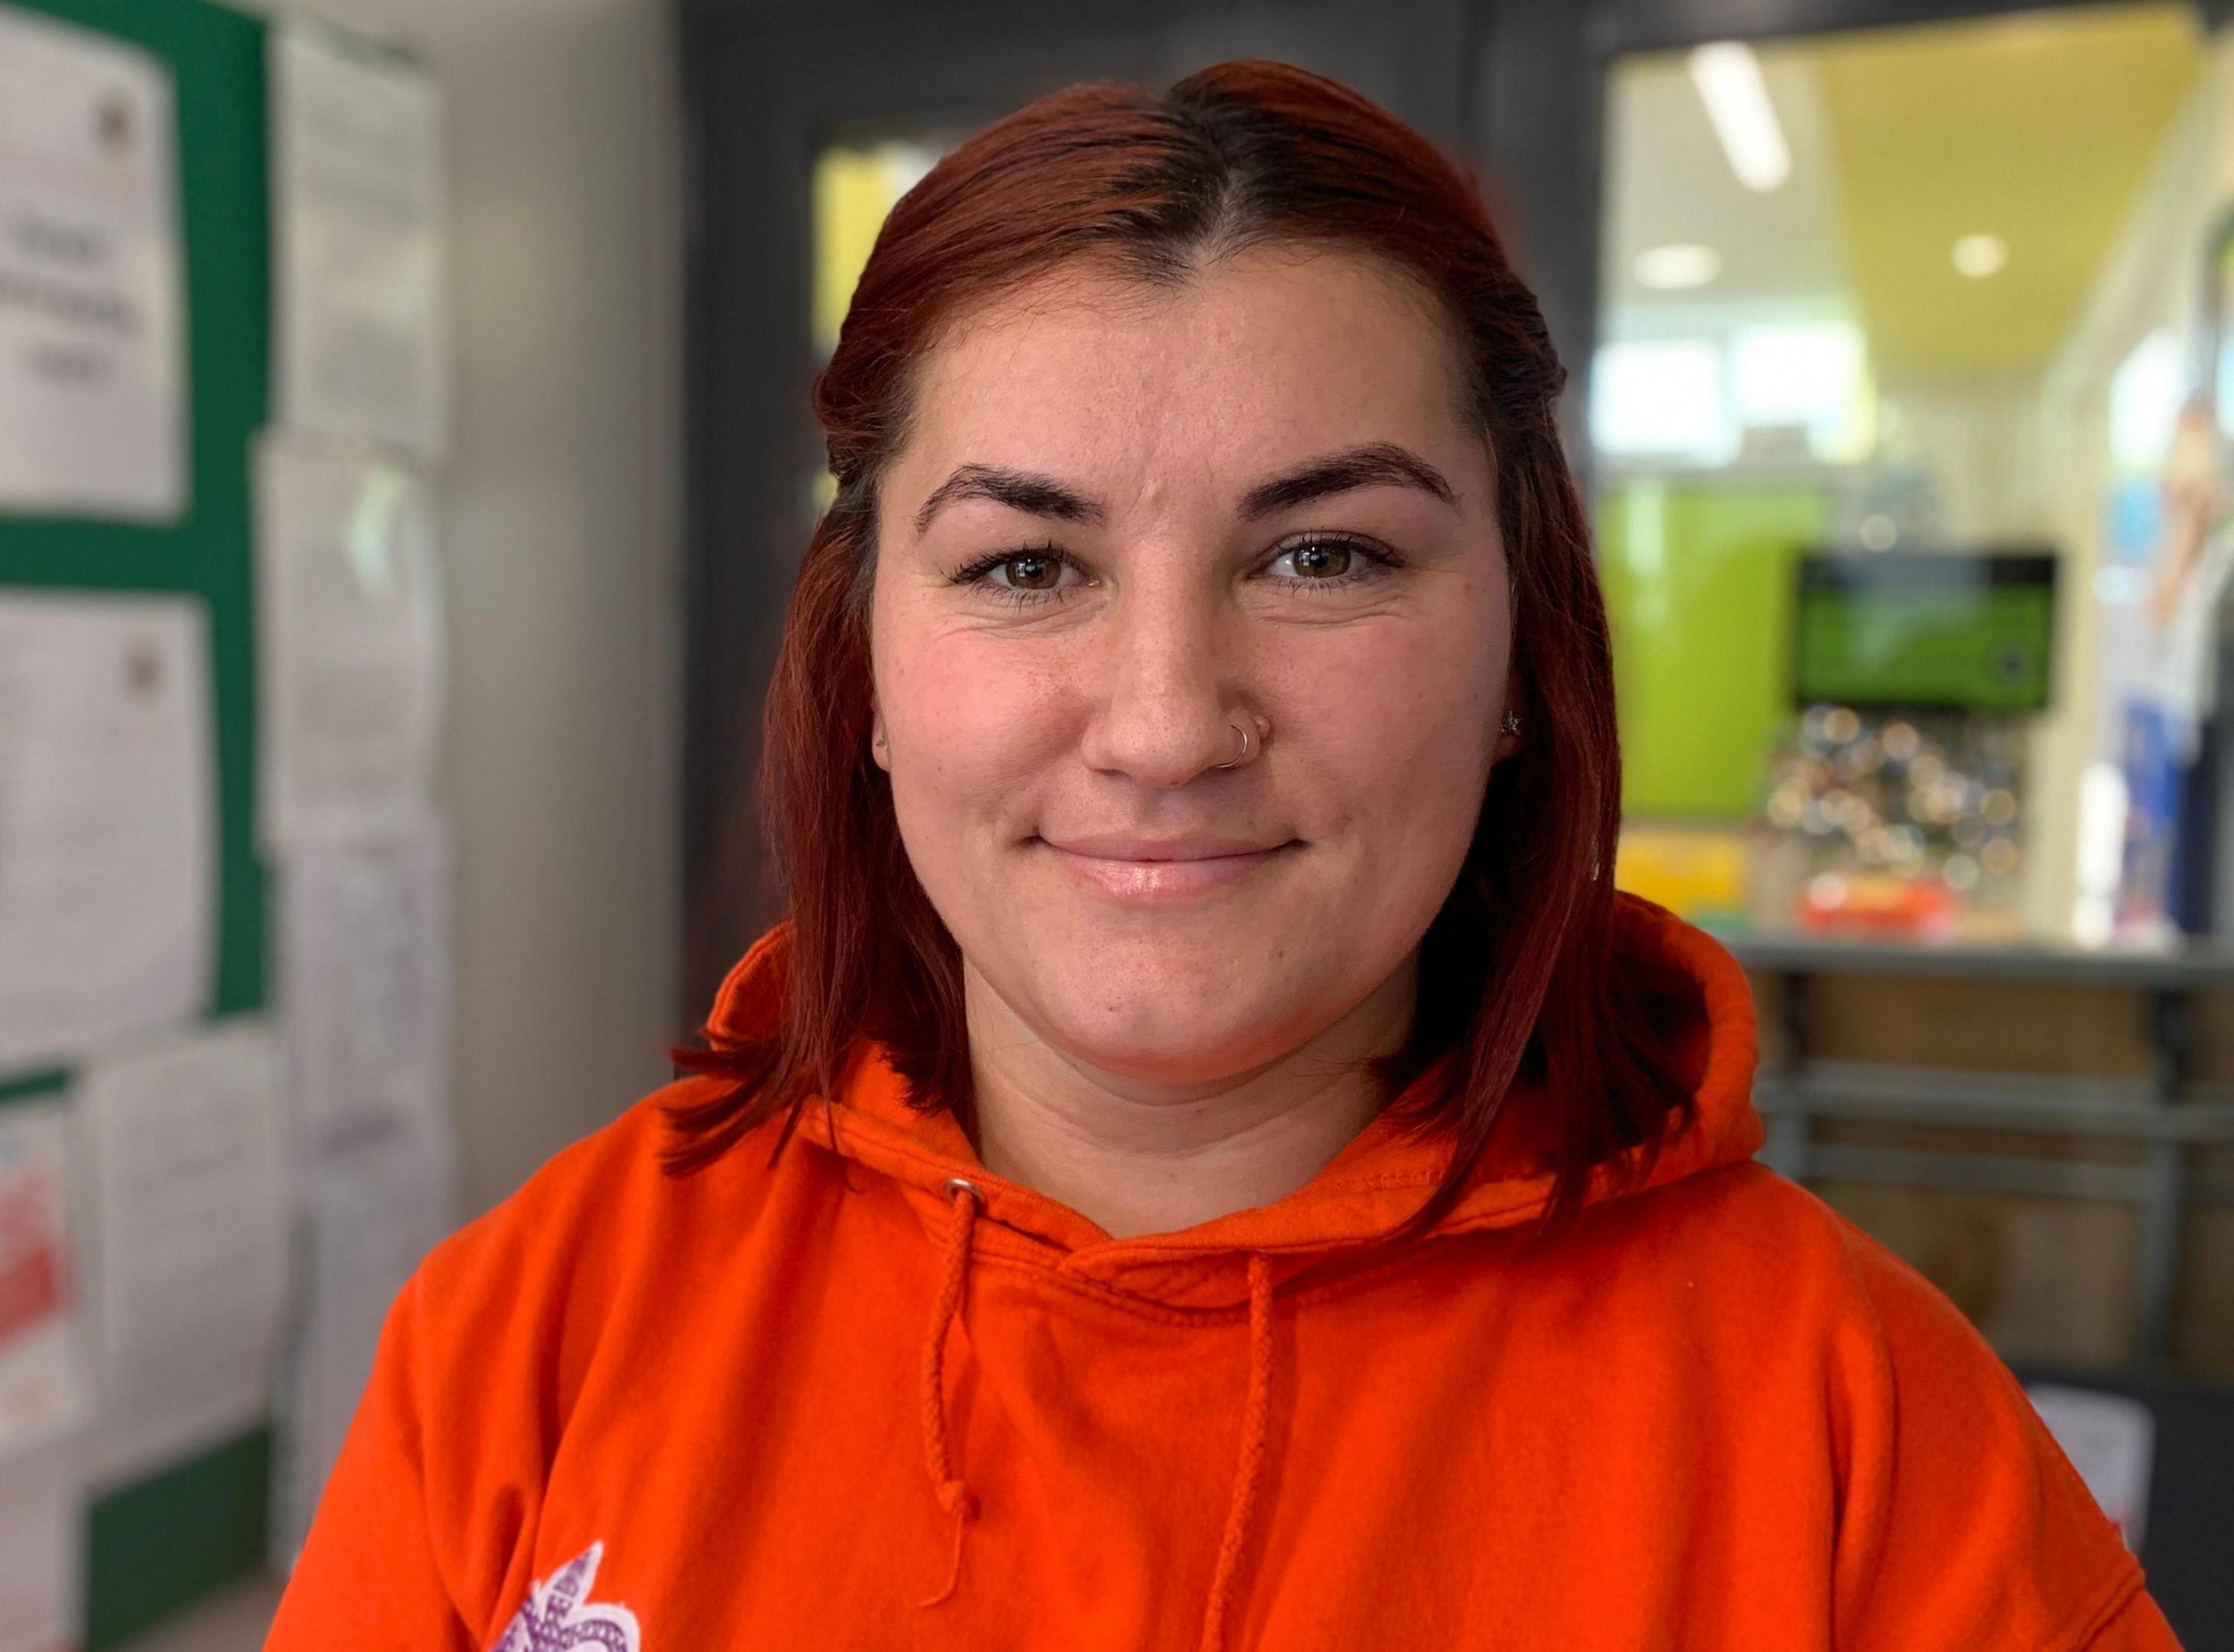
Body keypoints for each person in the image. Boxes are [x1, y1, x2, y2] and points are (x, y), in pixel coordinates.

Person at [266, 60, 2174, 1650]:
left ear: (1523, 660)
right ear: (863, 671)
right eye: (1027, 565)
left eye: (1325, 555)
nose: (1169, 722)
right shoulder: (538, 1329)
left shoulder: (1861, 1436)